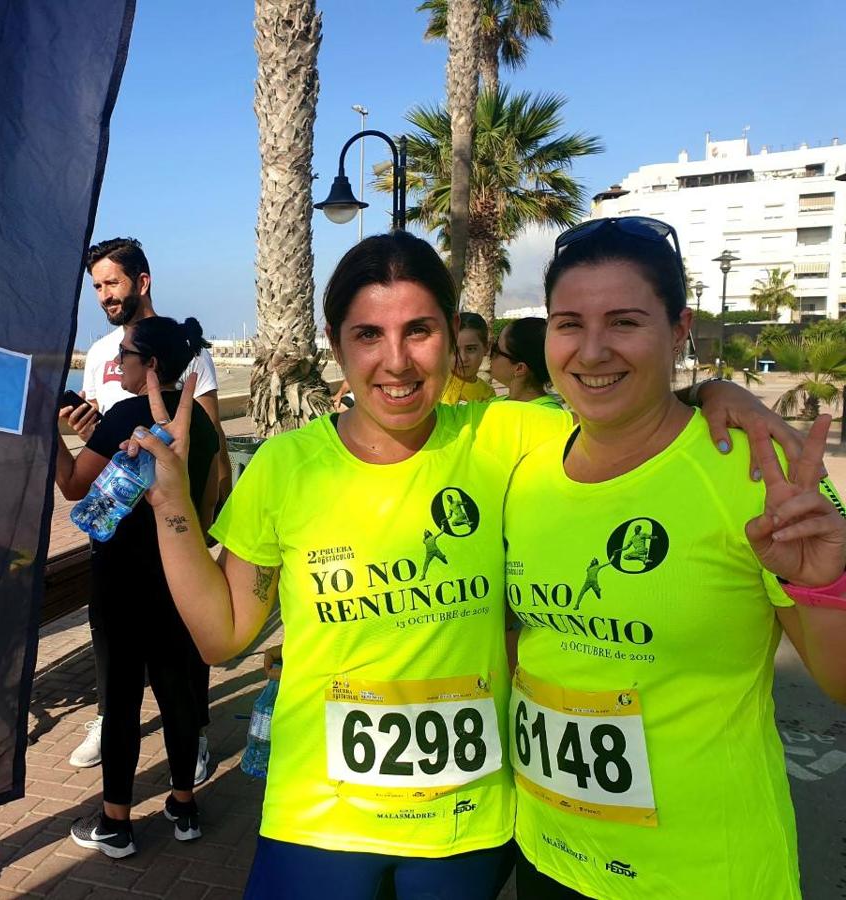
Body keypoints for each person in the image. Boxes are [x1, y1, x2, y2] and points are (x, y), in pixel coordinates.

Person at [122, 232, 797, 899]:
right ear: (335, 342)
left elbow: (633, 412)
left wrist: (714, 394)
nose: (396, 362)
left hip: (466, 828)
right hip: (319, 818)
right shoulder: (285, 467)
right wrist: (172, 507)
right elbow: (224, 635)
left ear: (451, 335)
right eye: (367, 336)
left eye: (419, 331)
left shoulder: (511, 437)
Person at [502, 216, 846, 899]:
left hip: (702, 872)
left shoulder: (756, 468)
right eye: (569, 324)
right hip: (548, 855)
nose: (592, 351)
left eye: (625, 322)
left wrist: (825, 584)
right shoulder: (526, 472)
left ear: (679, 330)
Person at [55, 316, 221, 859]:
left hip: (121, 577)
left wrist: (47, 433)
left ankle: (116, 821)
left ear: (150, 365)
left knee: (122, 696)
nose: (116, 363)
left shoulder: (127, 414)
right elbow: (213, 487)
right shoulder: (195, 417)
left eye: (125, 355)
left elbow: (74, 484)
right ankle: (183, 805)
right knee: (177, 690)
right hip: (179, 573)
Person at [64, 237, 225, 775]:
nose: (104, 295)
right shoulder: (103, 356)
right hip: (113, 519)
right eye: (97, 287)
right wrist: (83, 428)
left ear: (142, 281)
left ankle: (193, 735)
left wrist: (199, 527)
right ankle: (112, 722)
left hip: (171, 527)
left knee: (180, 648)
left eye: (112, 283)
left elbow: (208, 441)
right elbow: (96, 429)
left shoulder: (184, 346)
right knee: (117, 648)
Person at [488, 317, 563, 410]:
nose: (489, 354)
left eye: (496, 349)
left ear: (519, 368)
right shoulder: (494, 403)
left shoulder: (548, 414)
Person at [441, 311, 496, 405]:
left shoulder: (488, 393)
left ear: (486, 348)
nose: (462, 358)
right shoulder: (437, 385)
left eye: (471, 349)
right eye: (454, 350)